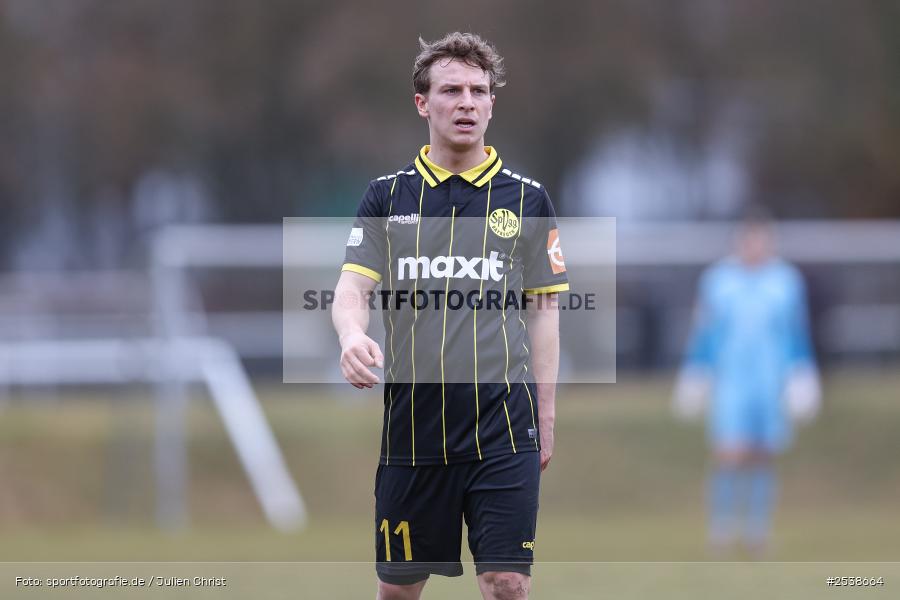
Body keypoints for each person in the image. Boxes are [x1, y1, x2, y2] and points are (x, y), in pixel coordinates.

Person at [331, 32, 568, 600]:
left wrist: (548, 415)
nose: (467, 102)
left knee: (508, 583)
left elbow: (543, 312)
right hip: (414, 432)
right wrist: (349, 336)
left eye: (479, 90)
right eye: (451, 89)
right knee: (398, 591)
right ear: (422, 103)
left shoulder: (528, 200)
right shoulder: (386, 197)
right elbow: (350, 289)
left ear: (492, 103)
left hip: (504, 429)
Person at [675, 209, 821, 557]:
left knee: (764, 454)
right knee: (730, 451)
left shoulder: (786, 281)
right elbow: (705, 330)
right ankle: (721, 529)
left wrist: (802, 374)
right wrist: (696, 373)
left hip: (770, 378)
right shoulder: (719, 280)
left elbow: (795, 331)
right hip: (731, 379)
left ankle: (758, 532)